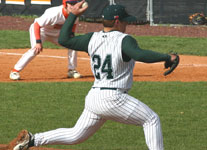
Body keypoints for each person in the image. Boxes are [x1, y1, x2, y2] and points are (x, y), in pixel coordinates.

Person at [12, 1, 179, 150]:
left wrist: (72, 15)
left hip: (94, 97)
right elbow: (140, 54)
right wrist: (167, 57)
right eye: (125, 20)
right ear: (116, 21)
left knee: (75, 135)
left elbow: (64, 40)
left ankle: (33, 140)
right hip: (113, 98)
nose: (127, 24)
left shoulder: (92, 38)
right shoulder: (124, 39)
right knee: (151, 120)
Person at [9, 0, 82, 80]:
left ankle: (71, 70)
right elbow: (36, 25)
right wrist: (38, 42)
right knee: (35, 50)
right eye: (71, 4)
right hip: (41, 31)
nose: (73, 6)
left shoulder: (75, 15)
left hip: (56, 34)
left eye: (74, 3)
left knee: (73, 45)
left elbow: (72, 27)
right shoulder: (54, 13)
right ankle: (15, 71)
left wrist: (71, 38)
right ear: (65, 5)